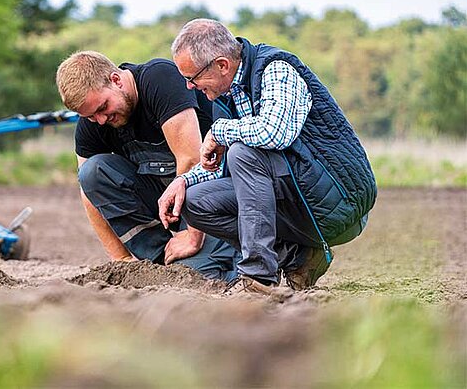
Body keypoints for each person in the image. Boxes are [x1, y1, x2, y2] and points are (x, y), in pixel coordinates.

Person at [158, 19, 376, 295]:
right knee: (194, 201)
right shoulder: (223, 97)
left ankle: (258, 278)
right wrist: (184, 181)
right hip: (294, 200)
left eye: (192, 78)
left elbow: (274, 133)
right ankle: (299, 258)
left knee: (242, 151)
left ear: (222, 64)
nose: (189, 87)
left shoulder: (276, 70)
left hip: (341, 202)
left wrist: (220, 131)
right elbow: (223, 164)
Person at [56, 50, 239, 281]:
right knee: (92, 171)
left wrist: (192, 238)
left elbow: (191, 160)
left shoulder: (159, 79)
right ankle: (160, 259)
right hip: (169, 203)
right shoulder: (94, 121)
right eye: (91, 116)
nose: (100, 120)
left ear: (116, 80)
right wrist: (121, 260)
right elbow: (88, 191)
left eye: (103, 108)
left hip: (214, 200)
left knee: (197, 277)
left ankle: (223, 255)